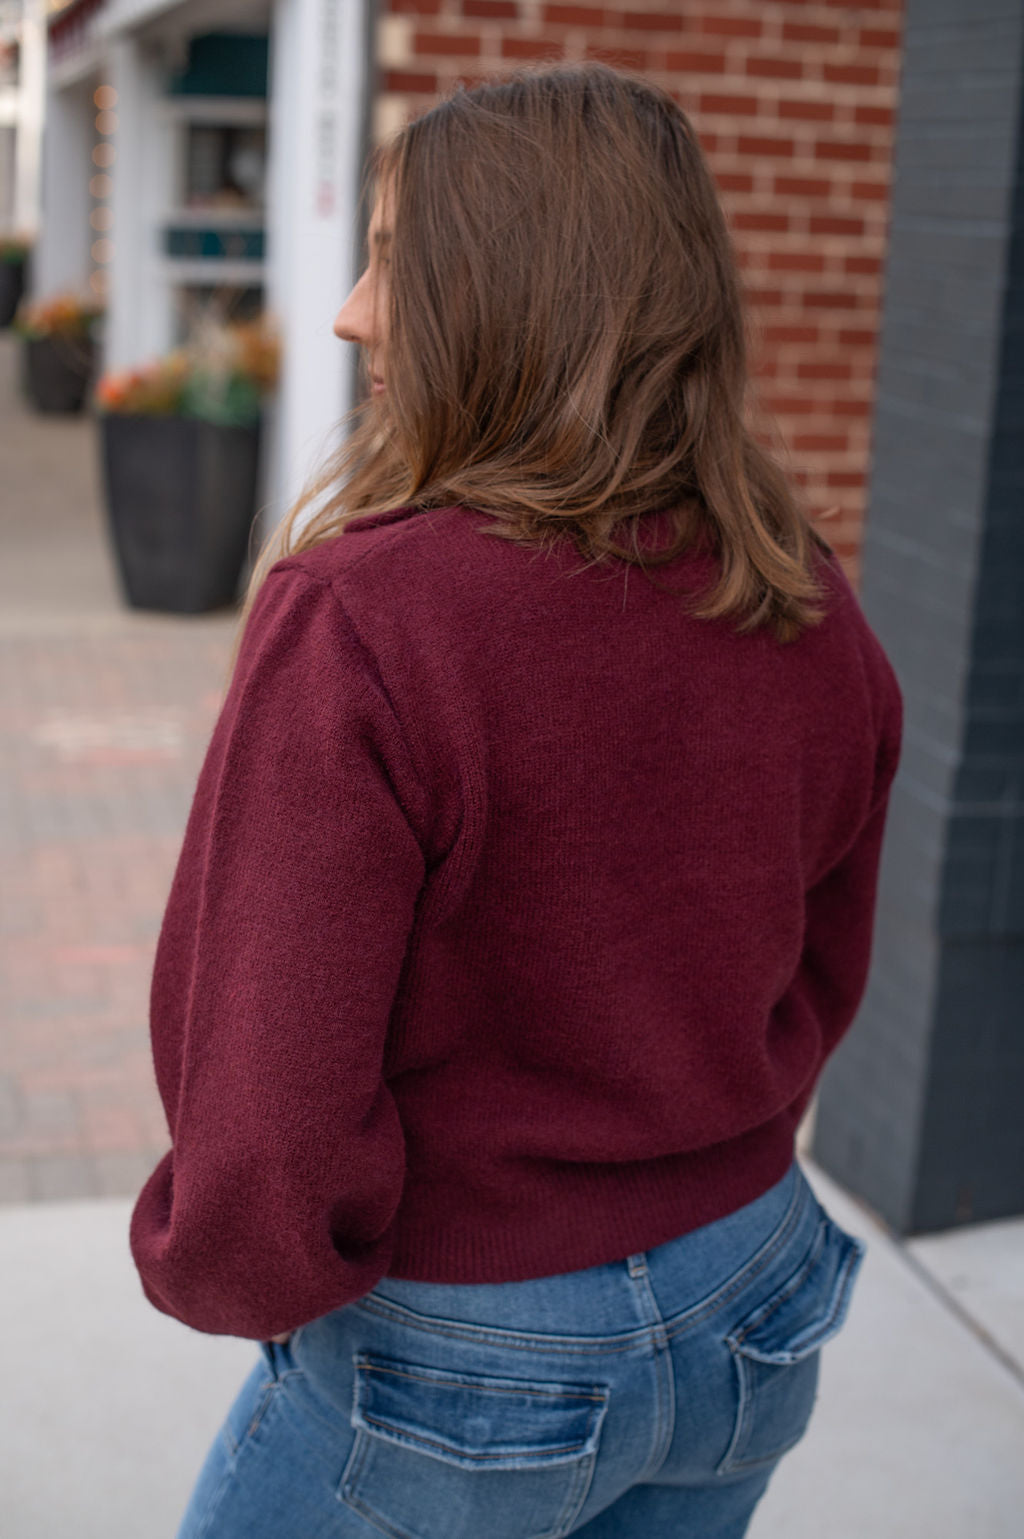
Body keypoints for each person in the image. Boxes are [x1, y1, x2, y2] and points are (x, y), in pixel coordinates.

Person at [129, 63, 902, 1539]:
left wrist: (249, 1276)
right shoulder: (797, 585)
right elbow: (828, 947)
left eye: (390, 263)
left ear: (503, 296)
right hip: (750, 1282)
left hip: (468, 1343)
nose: (351, 312)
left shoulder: (368, 616)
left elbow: (264, 1098)